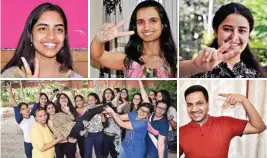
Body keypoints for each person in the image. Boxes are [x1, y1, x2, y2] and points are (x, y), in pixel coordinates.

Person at [90, 0, 177, 78]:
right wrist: (99, 39)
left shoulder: (173, 61)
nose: (146, 27)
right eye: (140, 22)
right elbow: (97, 56)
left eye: (153, 21)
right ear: (135, 26)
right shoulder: (128, 60)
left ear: (162, 25)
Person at [179, 3, 264, 78]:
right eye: (227, 29)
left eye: (242, 31)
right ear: (215, 32)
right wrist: (194, 66)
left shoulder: (256, 75)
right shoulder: (198, 68)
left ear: (248, 34)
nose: (234, 37)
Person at [179, 85, 266, 157]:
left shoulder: (225, 123)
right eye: (189, 105)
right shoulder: (181, 132)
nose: (194, 109)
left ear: (207, 104)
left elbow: (259, 127)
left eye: (199, 103)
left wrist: (244, 100)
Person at [1, 3, 82, 78]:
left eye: (59, 29)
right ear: (30, 35)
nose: (51, 36)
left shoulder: (75, 77)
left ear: (64, 36)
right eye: (43, 28)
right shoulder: (9, 77)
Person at [6, 83, 36, 158]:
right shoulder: (20, 120)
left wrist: (39, 91)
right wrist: (10, 93)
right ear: (20, 112)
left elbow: (36, 104)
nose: (26, 109)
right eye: (23, 109)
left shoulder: (32, 116)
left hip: (37, 142)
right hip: (28, 144)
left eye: (27, 107)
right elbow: (15, 106)